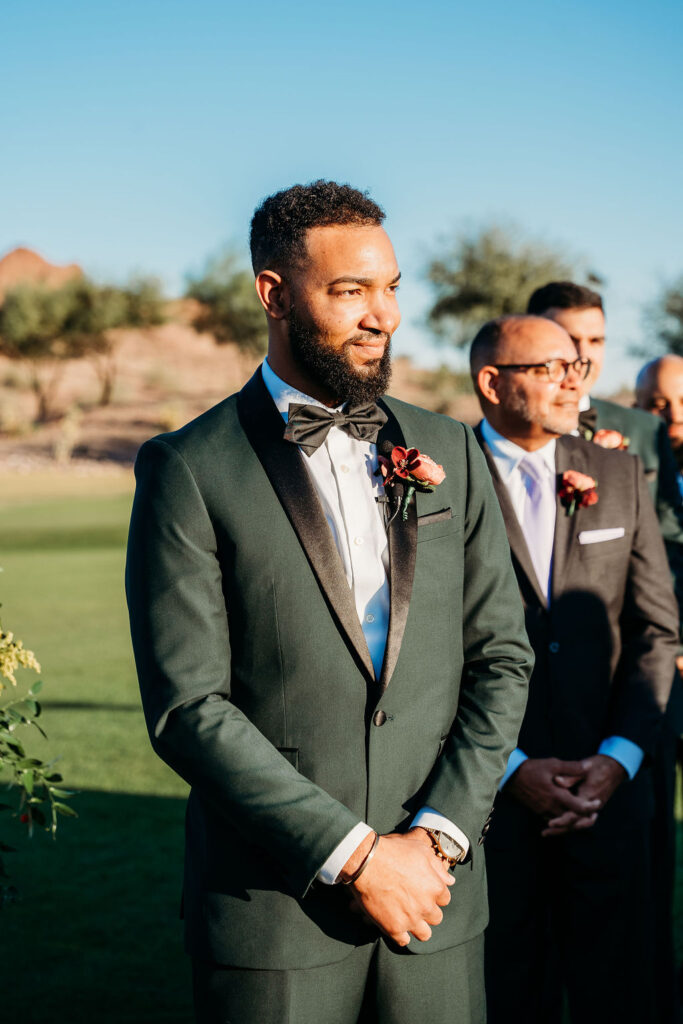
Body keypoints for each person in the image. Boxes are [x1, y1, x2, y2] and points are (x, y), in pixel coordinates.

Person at [126, 181, 533, 1024]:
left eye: (389, 286)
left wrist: (436, 837)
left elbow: (499, 655)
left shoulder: (449, 445)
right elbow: (189, 709)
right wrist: (356, 858)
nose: (380, 315)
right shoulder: (188, 468)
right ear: (273, 295)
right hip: (275, 923)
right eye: (349, 291)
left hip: (438, 904)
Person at [469, 314, 678, 1024]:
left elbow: (655, 629)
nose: (573, 381)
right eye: (550, 368)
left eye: (577, 367)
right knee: (505, 997)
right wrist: (508, 765)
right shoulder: (438, 477)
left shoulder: (616, 472)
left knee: (619, 996)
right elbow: (426, 653)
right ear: (491, 383)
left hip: (610, 799)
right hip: (489, 806)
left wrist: (617, 759)